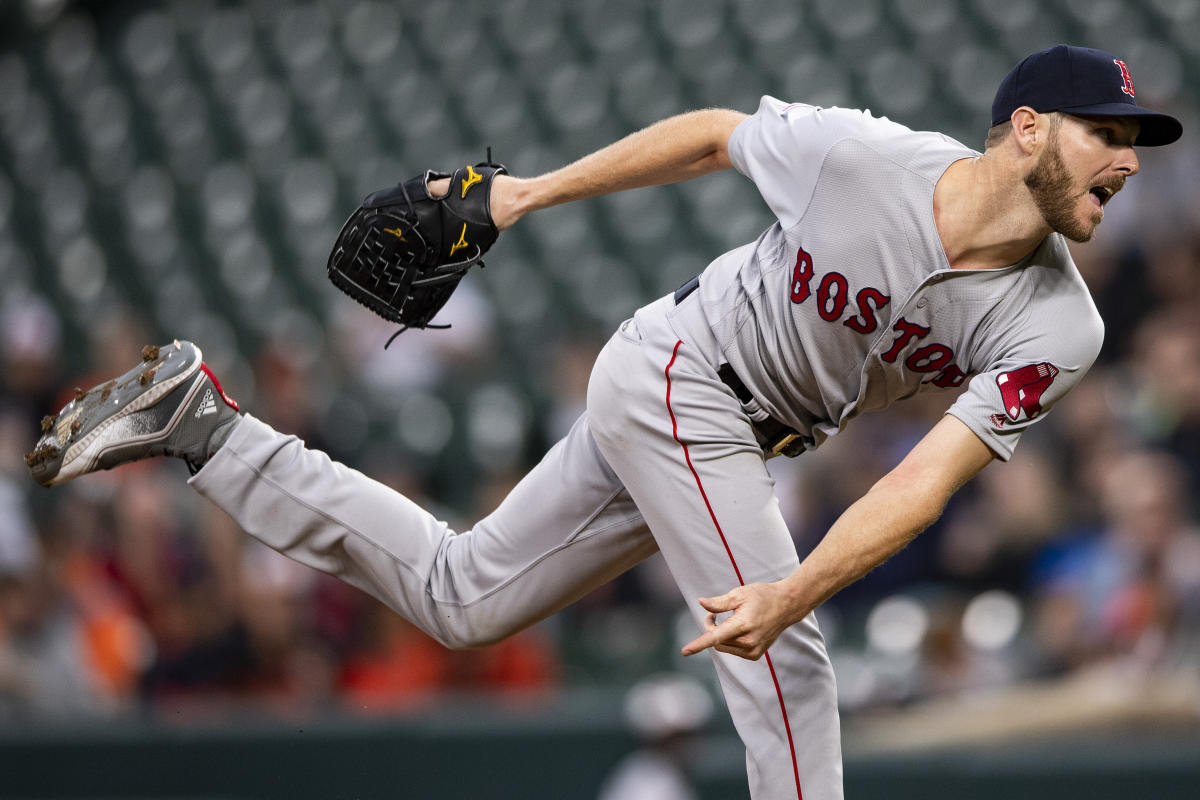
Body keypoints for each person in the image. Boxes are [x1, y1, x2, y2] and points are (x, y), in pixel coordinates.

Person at [24, 45, 1183, 799]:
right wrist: (526, 194)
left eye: (1138, 143)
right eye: (1108, 134)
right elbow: (714, 133)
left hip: (730, 425)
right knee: (793, 667)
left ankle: (208, 431)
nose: (1129, 161)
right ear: (1025, 127)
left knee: (462, 596)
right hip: (684, 373)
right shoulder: (862, 158)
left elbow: (927, 481)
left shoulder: (1059, 326)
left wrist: (794, 582)